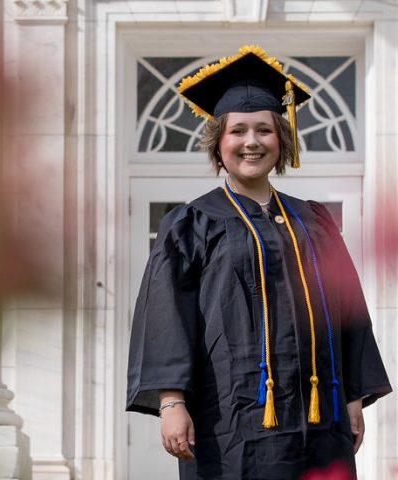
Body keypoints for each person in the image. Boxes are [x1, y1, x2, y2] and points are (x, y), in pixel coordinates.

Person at [126, 45, 392, 480]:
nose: (252, 142)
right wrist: (172, 402)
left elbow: (349, 313)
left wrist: (354, 399)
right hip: (229, 420)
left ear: (282, 140)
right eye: (239, 131)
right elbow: (166, 317)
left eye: (265, 130)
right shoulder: (191, 223)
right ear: (219, 143)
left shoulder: (314, 220)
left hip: (319, 417)